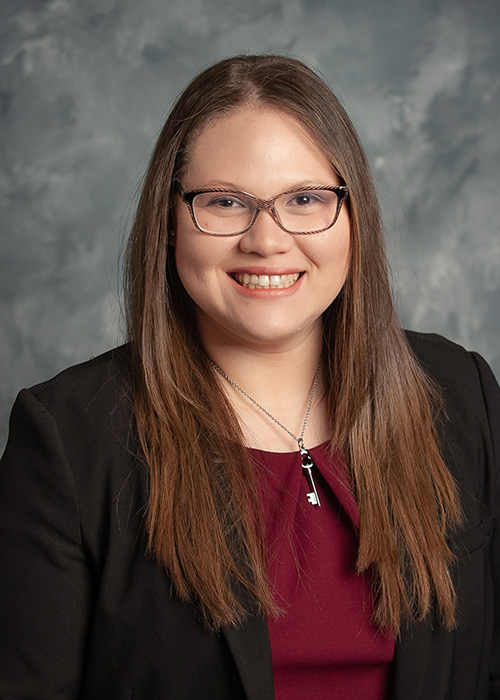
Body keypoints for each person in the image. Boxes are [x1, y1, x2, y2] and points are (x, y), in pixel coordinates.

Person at [0, 54, 498, 700]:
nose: (267, 240)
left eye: (305, 199)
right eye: (227, 201)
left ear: (353, 216)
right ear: (171, 219)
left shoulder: (464, 393)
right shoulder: (69, 437)